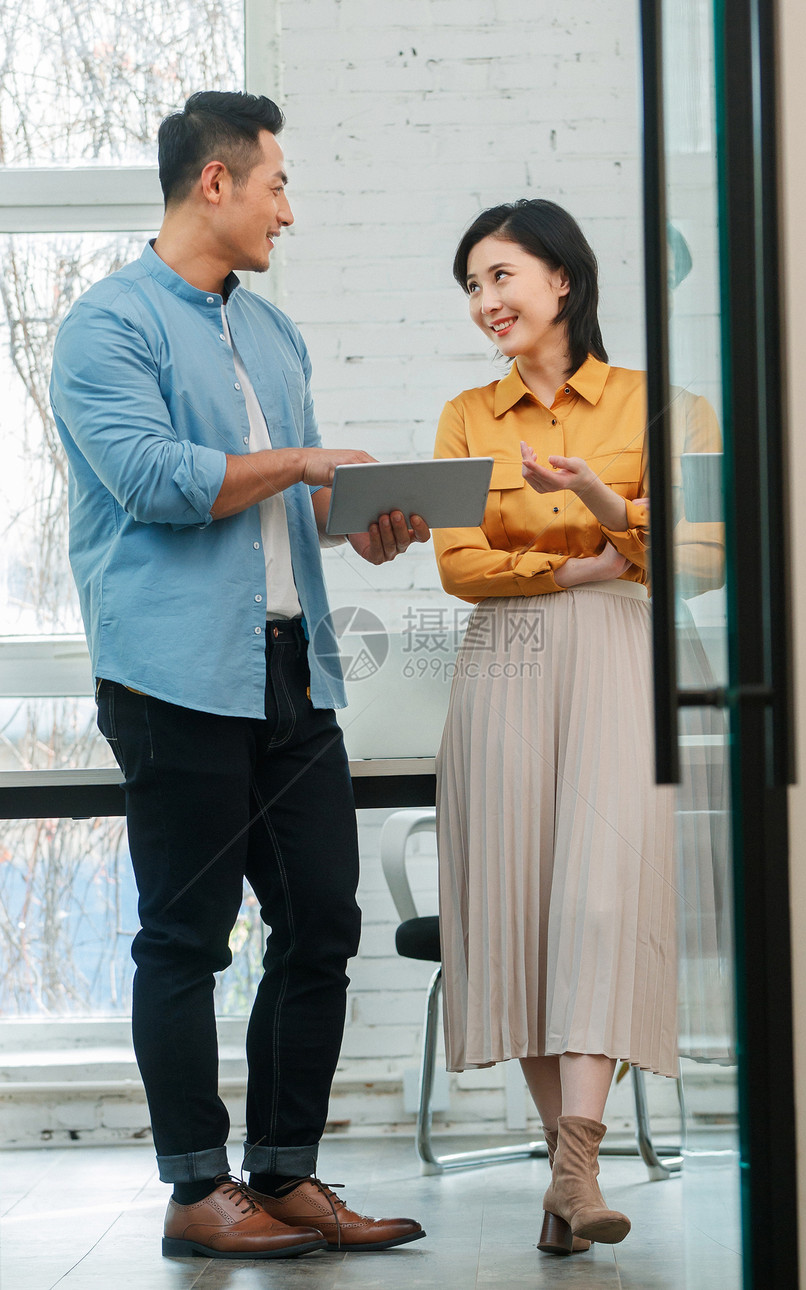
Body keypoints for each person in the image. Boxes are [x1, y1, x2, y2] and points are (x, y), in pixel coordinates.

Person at [50, 90, 429, 1262]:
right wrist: (304, 461)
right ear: (214, 183)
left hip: (289, 673)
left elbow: (288, 500)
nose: (290, 211)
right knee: (185, 938)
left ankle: (284, 1173)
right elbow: (163, 483)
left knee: (319, 920)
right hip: (172, 681)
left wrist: (354, 520)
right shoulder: (104, 328)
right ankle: (195, 1191)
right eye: (276, 184)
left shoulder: (271, 334)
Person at [432, 198, 720, 1257]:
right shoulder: (467, 414)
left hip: (617, 656)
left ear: (561, 279)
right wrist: (571, 565)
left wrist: (608, 505)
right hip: (503, 663)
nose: (483, 302)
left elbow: (705, 554)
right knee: (516, 907)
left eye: (499, 276)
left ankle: (575, 1164)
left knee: (600, 899)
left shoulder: (664, 409)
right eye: (469, 286)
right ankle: (573, 1178)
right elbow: (458, 566)